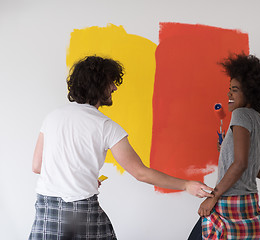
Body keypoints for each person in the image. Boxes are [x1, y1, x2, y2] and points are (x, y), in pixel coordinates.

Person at [29, 56, 214, 240]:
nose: (114, 88)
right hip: (80, 212)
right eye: (111, 82)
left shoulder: (52, 117)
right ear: (99, 85)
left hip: (46, 208)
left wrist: (79, 178)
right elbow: (140, 173)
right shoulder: (105, 126)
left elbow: (37, 166)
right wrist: (186, 184)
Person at [192, 54, 260, 240]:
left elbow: (240, 164)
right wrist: (228, 152)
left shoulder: (241, 115)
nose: (229, 94)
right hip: (250, 205)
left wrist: (213, 197)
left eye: (234, 90)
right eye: (229, 89)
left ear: (250, 93)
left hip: (228, 202)